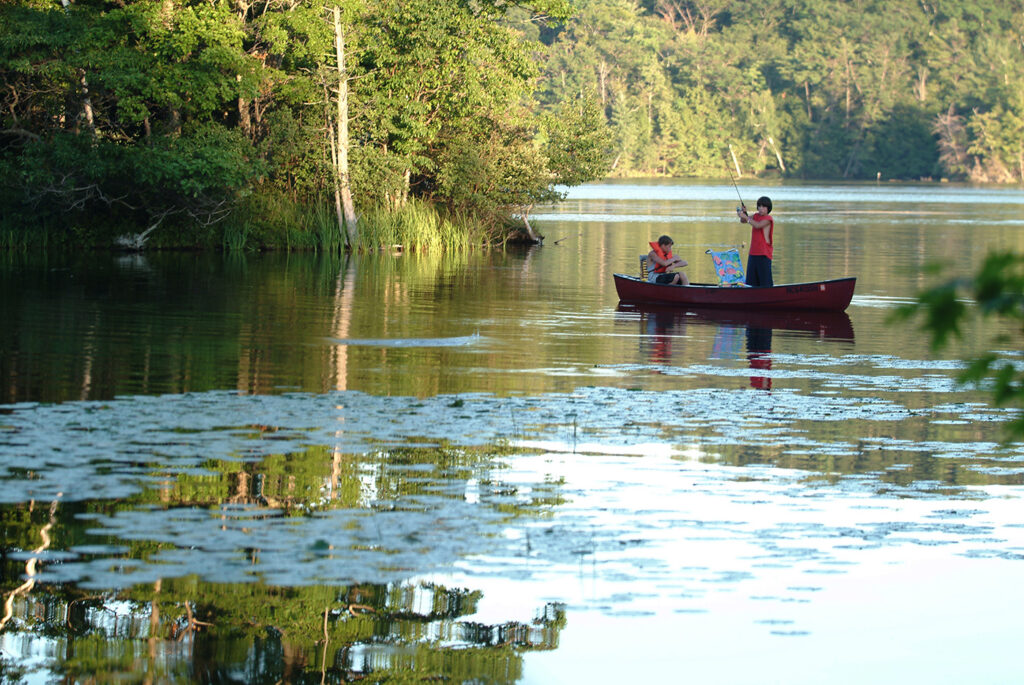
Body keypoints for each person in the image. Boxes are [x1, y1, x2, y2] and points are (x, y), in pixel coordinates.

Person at [736, 196, 774, 287]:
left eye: (764, 207)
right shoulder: (756, 216)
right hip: (753, 253)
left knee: (765, 283)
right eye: (759, 206)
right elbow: (743, 221)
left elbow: (757, 225)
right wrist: (744, 213)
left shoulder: (768, 219)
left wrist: (746, 217)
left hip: (763, 254)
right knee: (751, 282)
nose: (761, 208)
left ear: (768, 208)